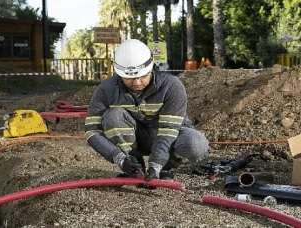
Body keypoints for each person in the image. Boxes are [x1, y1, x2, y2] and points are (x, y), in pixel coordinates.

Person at [84, 39, 209, 181]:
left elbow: (168, 130)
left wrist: (156, 165)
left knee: (196, 144)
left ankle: (166, 167)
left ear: (151, 65)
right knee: (113, 116)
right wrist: (120, 159)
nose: (137, 82)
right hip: (137, 139)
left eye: (142, 76)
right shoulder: (106, 89)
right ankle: (134, 167)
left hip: (169, 137)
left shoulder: (171, 86)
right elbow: (92, 131)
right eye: (129, 78)